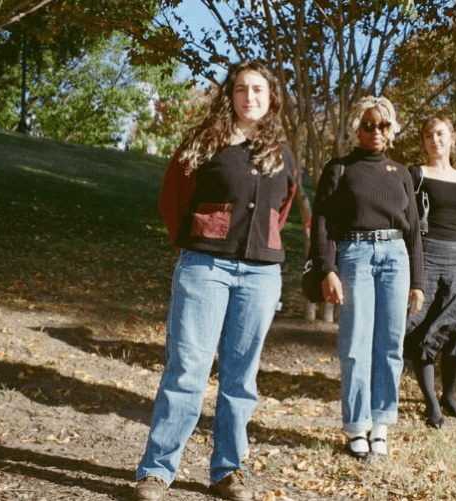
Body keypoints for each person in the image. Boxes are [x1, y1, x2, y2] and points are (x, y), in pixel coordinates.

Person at [134, 61, 297, 501]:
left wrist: (258, 246)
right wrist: (196, 241)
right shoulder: (203, 141)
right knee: (187, 370)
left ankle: (228, 470)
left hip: (261, 275)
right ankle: (156, 472)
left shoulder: (281, 153)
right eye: (241, 89)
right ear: (230, 95)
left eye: (258, 89)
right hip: (205, 268)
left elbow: (281, 210)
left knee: (240, 378)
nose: (250, 97)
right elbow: (173, 197)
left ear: (271, 99)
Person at [310, 96, 424, 461]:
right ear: (356, 129)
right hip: (355, 255)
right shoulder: (340, 169)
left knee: (390, 344)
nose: (376, 131)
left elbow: (414, 230)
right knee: (356, 344)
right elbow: (323, 223)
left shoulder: (401, 173)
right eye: (368, 125)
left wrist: (418, 281)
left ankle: (382, 425)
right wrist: (328, 268)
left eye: (383, 125)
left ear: (392, 129)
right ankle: (357, 426)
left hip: (396, 258)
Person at [404, 115, 456, 430]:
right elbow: (406, 220)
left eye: (440, 133)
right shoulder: (417, 174)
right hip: (427, 259)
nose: (434, 139)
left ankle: (449, 395)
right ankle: (432, 404)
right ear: (423, 142)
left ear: (452, 137)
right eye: (428, 135)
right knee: (421, 330)